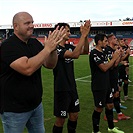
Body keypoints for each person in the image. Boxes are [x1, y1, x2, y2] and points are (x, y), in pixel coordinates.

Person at [0, 11, 66, 133]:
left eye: (32, 22)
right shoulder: (8, 46)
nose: (31, 25)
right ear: (16, 26)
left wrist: (53, 50)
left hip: (36, 105)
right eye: (27, 23)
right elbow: (27, 69)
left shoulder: (34, 43)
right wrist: (47, 49)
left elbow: (50, 64)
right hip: (14, 110)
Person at [52, 20, 91, 133]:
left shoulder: (69, 46)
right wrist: (82, 35)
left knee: (74, 115)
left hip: (72, 87)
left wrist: (86, 35)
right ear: (60, 32)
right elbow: (75, 55)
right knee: (60, 120)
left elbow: (84, 51)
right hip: (61, 89)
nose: (69, 33)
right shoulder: (56, 49)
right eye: (67, 31)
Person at [89, 33, 124, 133]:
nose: (106, 43)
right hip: (98, 85)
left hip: (107, 84)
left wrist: (117, 56)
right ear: (99, 42)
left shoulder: (104, 53)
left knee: (110, 105)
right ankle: (95, 131)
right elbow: (104, 68)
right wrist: (113, 59)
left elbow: (112, 66)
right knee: (99, 108)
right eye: (105, 41)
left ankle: (111, 127)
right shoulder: (94, 53)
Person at [104, 34, 130, 121]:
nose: (116, 40)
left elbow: (116, 63)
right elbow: (112, 65)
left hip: (115, 75)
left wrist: (120, 55)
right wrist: (120, 56)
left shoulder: (113, 50)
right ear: (110, 40)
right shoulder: (108, 51)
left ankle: (119, 114)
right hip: (110, 77)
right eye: (115, 39)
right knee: (110, 97)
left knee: (116, 94)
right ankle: (107, 115)